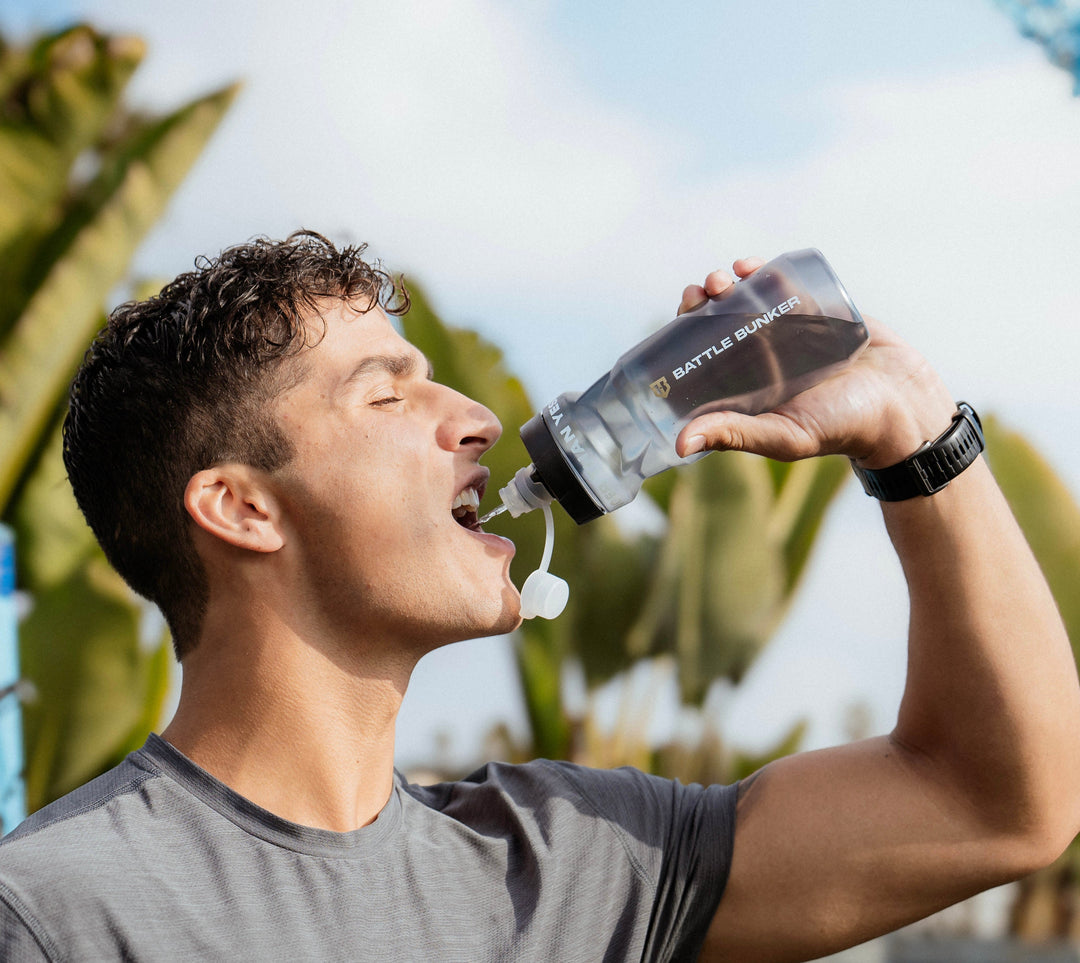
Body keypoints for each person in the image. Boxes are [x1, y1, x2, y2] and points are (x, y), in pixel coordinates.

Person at [1, 231, 1078, 962]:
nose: (474, 415)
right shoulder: (61, 912)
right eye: (386, 393)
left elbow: (998, 805)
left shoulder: (577, 866)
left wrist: (917, 434)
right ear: (240, 508)